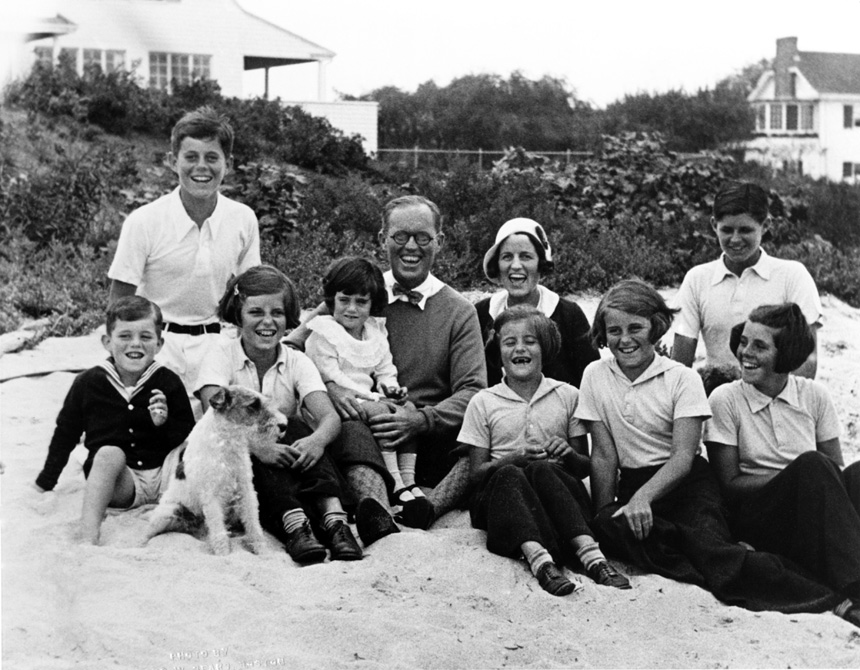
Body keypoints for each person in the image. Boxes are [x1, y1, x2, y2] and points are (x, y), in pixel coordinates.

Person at [576, 279, 846, 615]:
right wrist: (606, 513)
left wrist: (643, 498)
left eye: (636, 328)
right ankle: (706, 549)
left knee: (712, 548)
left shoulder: (680, 378)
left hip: (687, 486)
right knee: (624, 529)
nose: (624, 339)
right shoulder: (594, 375)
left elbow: (683, 457)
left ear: (656, 328)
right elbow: (603, 454)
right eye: (613, 330)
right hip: (637, 483)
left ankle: (832, 594)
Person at [287, 195, 486, 544]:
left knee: (486, 437)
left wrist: (421, 420)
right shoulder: (357, 292)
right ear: (382, 239)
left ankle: (430, 507)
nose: (411, 246)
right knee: (350, 429)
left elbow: (473, 391)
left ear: (440, 241)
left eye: (423, 237)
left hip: (425, 436)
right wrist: (332, 390)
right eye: (400, 236)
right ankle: (375, 509)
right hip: (363, 431)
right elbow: (292, 349)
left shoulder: (458, 310)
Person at [705, 303, 860, 626]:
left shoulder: (815, 396)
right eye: (744, 341)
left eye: (760, 345)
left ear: (786, 353)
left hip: (811, 512)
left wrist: (807, 479)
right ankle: (855, 587)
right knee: (812, 465)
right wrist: (794, 477)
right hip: (759, 516)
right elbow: (728, 485)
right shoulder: (726, 399)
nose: (745, 352)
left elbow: (837, 473)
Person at [195, 265, 363, 564]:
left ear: (288, 319)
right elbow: (214, 405)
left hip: (288, 466)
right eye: (255, 312)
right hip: (235, 468)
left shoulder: (296, 361)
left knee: (298, 426)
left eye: (278, 313)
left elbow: (329, 417)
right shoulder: (222, 354)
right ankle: (295, 525)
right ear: (238, 315)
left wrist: (317, 441)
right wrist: (260, 448)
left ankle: (335, 520)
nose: (268, 322)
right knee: (254, 435)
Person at [462, 306, 630, 596]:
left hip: (558, 502)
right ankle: (540, 561)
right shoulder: (483, 401)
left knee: (542, 468)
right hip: (503, 504)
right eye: (509, 342)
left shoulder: (567, 395)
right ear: (498, 350)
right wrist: (509, 460)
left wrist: (567, 453)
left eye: (530, 341)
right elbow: (475, 474)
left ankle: (592, 556)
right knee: (512, 473)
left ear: (545, 348)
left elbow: (582, 467)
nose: (520, 349)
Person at [108, 106, 261, 415]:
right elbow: (119, 303)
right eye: (191, 157)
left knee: (230, 431)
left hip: (219, 343)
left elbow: (252, 295)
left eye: (212, 157)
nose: (201, 167)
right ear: (172, 161)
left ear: (227, 164)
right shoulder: (144, 221)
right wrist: (123, 363)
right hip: (159, 346)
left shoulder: (243, 218)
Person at [35, 296, 195, 545]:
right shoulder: (88, 383)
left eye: (145, 337)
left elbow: (187, 430)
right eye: (125, 336)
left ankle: (193, 513)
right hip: (123, 484)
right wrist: (46, 480)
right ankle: (88, 536)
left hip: (167, 478)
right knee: (108, 453)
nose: (135, 344)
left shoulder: (168, 381)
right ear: (107, 342)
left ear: (159, 343)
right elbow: (65, 432)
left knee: (191, 450)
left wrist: (164, 423)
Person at [305, 257, 433, 521]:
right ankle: (396, 483)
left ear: (372, 304)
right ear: (332, 299)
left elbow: (385, 368)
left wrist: (393, 391)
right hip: (338, 402)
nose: (352, 309)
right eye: (344, 300)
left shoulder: (374, 332)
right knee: (383, 413)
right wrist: (375, 399)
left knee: (407, 410)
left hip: (368, 398)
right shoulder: (324, 333)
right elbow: (331, 376)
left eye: (361, 302)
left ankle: (409, 479)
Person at [672, 181, 821, 378]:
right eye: (726, 230)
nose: (735, 239)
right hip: (718, 397)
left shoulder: (792, 275)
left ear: (765, 225)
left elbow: (807, 359)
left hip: (774, 397)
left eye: (745, 230)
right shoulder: (697, 279)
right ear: (714, 226)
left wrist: (785, 404)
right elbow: (681, 361)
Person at [475, 218, 598, 388]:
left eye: (526, 256)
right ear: (497, 265)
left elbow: (592, 381)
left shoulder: (569, 315)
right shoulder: (481, 314)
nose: (516, 265)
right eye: (507, 257)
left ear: (540, 264)